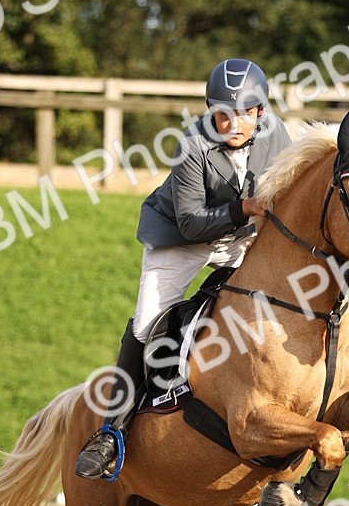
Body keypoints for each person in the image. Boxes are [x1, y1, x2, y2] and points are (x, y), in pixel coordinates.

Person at [74, 57, 292, 480]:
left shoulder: (277, 133)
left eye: (242, 115)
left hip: (240, 237)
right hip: (181, 237)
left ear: (260, 113)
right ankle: (109, 432)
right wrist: (244, 207)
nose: (230, 125)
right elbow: (192, 223)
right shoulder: (192, 144)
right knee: (145, 322)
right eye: (220, 115)